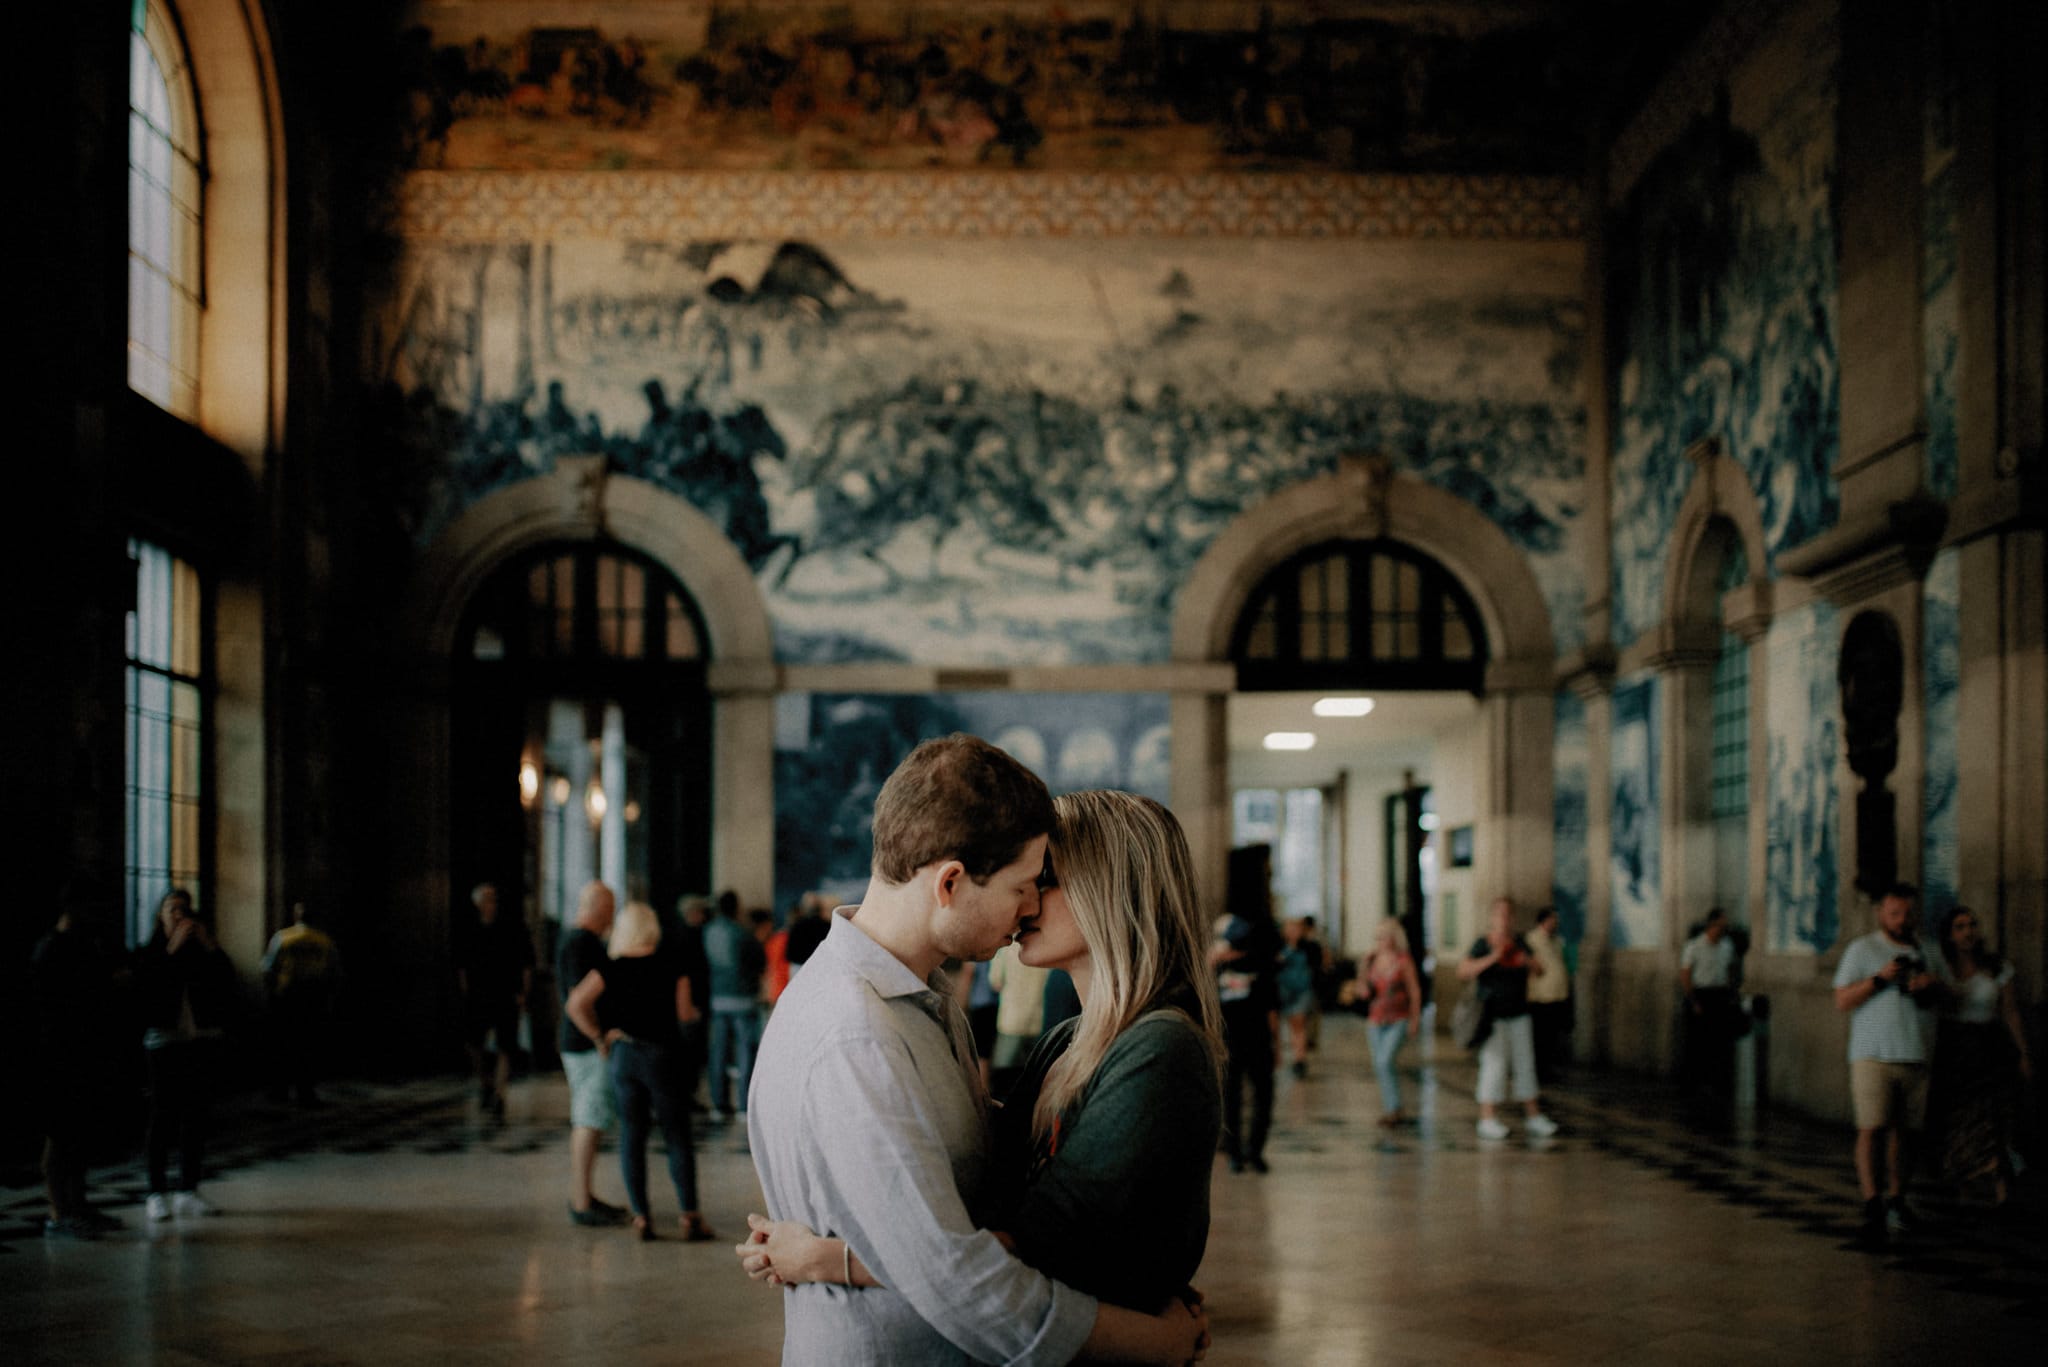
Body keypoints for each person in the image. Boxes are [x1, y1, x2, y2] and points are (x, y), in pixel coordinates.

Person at [741, 734, 1207, 1365]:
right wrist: (1156, 1341)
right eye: (1025, 882)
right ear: (951, 882)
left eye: (1046, 882)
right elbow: (961, 1268)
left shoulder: (923, 1003)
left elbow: (1001, 1217)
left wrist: (834, 1258)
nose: (1029, 906)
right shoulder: (859, 1031)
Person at [564, 899, 714, 1242]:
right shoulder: (672, 964)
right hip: (663, 1057)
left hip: (624, 1056)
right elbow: (685, 1014)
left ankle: (642, 1217)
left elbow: (575, 1004)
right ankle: (690, 1216)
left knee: (632, 1135)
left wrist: (600, 1036)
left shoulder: (610, 967)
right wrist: (695, 1019)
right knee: (677, 1136)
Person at [1831, 882, 1951, 1243]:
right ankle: (1872, 1201)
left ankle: (1898, 1199)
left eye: (1908, 913)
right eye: (1895, 913)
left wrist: (1931, 985)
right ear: (1881, 914)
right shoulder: (1862, 949)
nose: (1902, 920)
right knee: (1872, 1128)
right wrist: (1879, 979)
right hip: (1872, 1054)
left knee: (1907, 1133)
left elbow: (1947, 994)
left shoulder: (1928, 949)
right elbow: (1842, 1000)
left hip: (1916, 1052)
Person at [134, 888, 241, 1220]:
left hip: (198, 1040)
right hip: (164, 1042)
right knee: (162, 1117)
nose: (179, 915)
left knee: (195, 1117)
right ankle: (155, 1192)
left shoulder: (201, 953)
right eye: (172, 909)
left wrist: (209, 945)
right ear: (160, 916)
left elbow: (227, 982)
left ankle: (188, 1190)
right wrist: (171, 950)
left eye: (184, 909)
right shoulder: (150, 953)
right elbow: (148, 992)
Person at [1930, 906, 2030, 1208]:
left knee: (1992, 1115)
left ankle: (2000, 1185)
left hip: (1988, 1045)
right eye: (1960, 927)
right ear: (1950, 934)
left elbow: (2010, 1012)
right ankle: (1964, 1183)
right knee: (1958, 1116)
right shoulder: (1942, 966)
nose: (1968, 932)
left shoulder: (1996, 966)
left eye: (1972, 925)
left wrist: (2023, 1053)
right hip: (1954, 1044)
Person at [32, 903, 121, 1239]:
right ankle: (59, 1212)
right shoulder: (51, 950)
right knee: (59, 1136)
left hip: (77, 1053)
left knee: (76, 1135)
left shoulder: (72, 947)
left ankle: (77, 1205)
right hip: (57, 1055)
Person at [557, 881, 629, 1227]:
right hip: (586, 1045)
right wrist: (599, 1037)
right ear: (598, 906)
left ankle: (584, 1195)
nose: (613, 914)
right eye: (611, 906)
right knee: (588, 1118)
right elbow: (576, 1003)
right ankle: (581, 1199)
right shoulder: (580, 944)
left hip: (584, 1043)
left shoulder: (581, 942)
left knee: (592, 1117)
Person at [1457, 896, 1558, 1141]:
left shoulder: (1521, 943)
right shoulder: (1483, 943)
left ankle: (1533, 1116)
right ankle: (1487, 1117)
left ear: (1512, 918)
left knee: (1525, 1063)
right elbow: (1463, 971)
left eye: (1508, 914)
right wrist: (1493, 957)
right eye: (1499, 914)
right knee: (1494, 1065)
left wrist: (1526, 961)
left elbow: (1540, 970)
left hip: (1519, 1012)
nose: (1503, 919)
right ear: (1492, 917)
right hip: (1492, 1016)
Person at [1213, 844, 1281, 1173]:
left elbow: (1270, 997)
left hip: (1247, 1029)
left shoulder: (1258, 945)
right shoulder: (1226, 948)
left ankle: (1249, 1149)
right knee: (1238, 1093)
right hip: (1235, 1030)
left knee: (1250, 1093)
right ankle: (1240, 1150)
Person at [455, 882, 533, 1121]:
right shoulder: (469, 930)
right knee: (473, 1043)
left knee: (505, 1045)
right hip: (479, 994)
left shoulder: (511, 928)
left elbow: (525, 962)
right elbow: (462, 965)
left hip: (505, 993)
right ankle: (485, 1082)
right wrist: (466, 990)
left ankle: (500, 1093)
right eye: (486, 899)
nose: (491, 903)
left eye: (493, 898)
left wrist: (523, 992)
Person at [260, 901, 343, 1106]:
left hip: (287, 995)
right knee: (308, 1044)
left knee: (283, 1044)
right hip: (314, 995)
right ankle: (305, 1090)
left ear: (296, 915)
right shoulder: (324, 940)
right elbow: (335, 971)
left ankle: (280, 1089)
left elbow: (268, 967)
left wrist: (272, 991)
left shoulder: (284, 937)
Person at [702, 889, 766, 1121]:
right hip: (743, 998)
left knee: (718, 1051)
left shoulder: (708, 932)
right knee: (745, 1051)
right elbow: (759, 960)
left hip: (718, 998)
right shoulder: (742, 933)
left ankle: (719, 1103)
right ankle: (744, 1105)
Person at [1356, 917, 1423, 1127]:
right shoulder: (1372, 959)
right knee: (1381, 1065)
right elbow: (1362, 990)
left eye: (1383, 936)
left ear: (1394, 938)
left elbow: (1414, 990)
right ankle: (1392, 1109)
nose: (1380, 941)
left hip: (1398, 1019)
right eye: (1377, 937)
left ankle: (1394, 1108)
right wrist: (1363, 966)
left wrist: (1415, 1019)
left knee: (1385, 1061)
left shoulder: (1404, 961)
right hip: (1376, 1020)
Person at [1679, 908, 1742, 1099]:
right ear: (1711, 925)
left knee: (1719, 1041)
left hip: (1720, 994)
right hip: (1701, 994)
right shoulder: (1694, 946)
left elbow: (1731, 969)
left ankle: (1717, 1082)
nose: (1723, 930)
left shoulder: (1727, 946)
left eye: (1725, 926)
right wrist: (1692, 1000)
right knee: (1699, 1042)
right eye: (1720, 926)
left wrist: (1732, 992)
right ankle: (1697, 1082)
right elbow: (1686, 974)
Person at [1524, 904, 1572, 1085]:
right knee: (1540, 1037)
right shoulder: (1532, 939)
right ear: (1543, 921)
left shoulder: (1558, 941)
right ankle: (1538, 1071)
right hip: (1540, 997)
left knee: (1552, 1037)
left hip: (1557, 996)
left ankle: (1549, 1069)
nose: (1555, 923)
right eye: (1552, 919)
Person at [1276, 916, 1323, 1078]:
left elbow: (1318, 966)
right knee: (1293, 1024)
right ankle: (1297, 1055)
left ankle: (1300, 1059)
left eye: (1296, 929)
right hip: (1286, 990)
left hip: (1304, 989)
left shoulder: (1310, 947)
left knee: (1299, 1022)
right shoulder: (1279, 947)